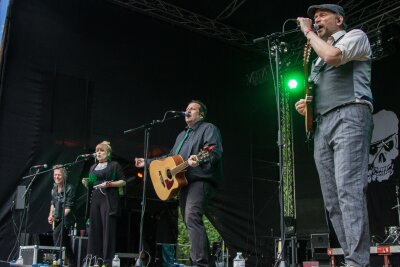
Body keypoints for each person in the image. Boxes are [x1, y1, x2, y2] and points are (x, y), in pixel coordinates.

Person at [295, 4, 373, 267]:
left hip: (350, 114)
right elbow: (321, 80)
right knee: (332, 200)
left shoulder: (355, 36)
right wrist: (309, 106)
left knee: (349, 190)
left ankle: (357, 262)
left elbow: (333, 56)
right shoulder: (316, 56)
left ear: (339, 20)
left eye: (322, 15)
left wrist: (308, 32)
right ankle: (353, 258)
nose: (316, 19)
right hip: (323, 124)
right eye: (314, 17)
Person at [135, 100, 223, 267]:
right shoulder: (181, 136)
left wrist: (200, 158)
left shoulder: (208, 128)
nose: (187, 111)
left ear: (201, 114)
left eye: (192, 109)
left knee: (191, 216)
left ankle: (199, 263)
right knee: (189, 219)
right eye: (187, 108)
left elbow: (213, 150)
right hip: (184, 183)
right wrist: (146, 162)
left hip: (200, 180)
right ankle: (204, 262)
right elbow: (168, 159)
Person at [82, 141, 127, 266]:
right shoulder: (93, 167)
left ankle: (107, 261)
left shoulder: (114, 165)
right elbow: (92, 183)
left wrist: (110, 184)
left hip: (108, 198)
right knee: (95, 229)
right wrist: (87, 182)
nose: (98, 153)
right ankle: (94, 258)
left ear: (108, 153)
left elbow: (123, 181)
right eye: (97, 151)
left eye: (101, 151)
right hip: (95, 198)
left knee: (108, 230)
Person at [48, 165, 76, 267]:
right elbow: (52, 204)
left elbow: (69, 207)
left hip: (67, 219)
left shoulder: (69, 188)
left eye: (59, 175)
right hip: (58, 219)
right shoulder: (54, 188)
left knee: (57, 235)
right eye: (55, 174)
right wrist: (51, 215)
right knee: (65, 242)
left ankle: (58, 261)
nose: (56, 177)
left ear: (63, 176)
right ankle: (72, 263)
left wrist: (59, 217)